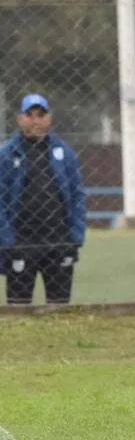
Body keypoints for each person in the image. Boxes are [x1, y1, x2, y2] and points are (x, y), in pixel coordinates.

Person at [0, 94, 86, 305]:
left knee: (60, 305)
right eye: (30, 115)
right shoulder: (7, 154)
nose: (35, 120)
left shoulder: (64, 153)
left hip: (58, 240)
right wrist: (8, 242)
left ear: (49, 119)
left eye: (40, 115)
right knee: (18, 306)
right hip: (22, 242)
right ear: (20, 119)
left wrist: (75, 237)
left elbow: (77, 196)